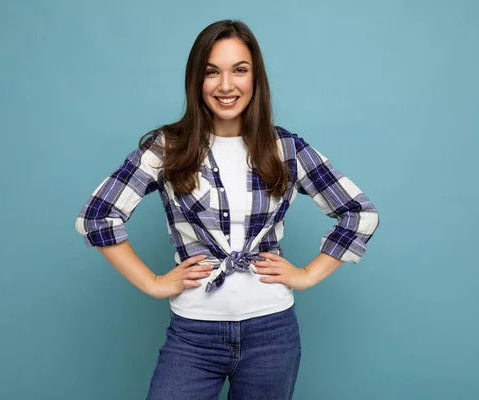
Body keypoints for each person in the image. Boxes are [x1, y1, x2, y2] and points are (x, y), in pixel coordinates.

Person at [75, 19, 379, 400]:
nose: (226, 85)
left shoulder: (285, 148)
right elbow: (97, 217)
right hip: (193, 335)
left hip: (272, 334)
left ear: (255, 78)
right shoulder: (168, 147)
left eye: (239, 70)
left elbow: (358, 213)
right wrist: (153, 284)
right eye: (211, 72)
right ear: (196, 81)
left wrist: (306, 275)